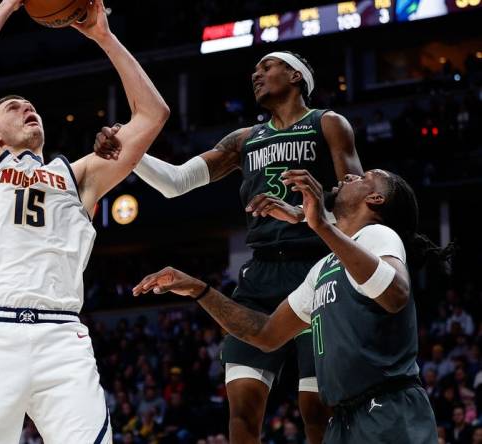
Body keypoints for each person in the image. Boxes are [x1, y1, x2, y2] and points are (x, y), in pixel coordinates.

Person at [96, 51, 362, 443]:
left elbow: (356, 204)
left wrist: (307, 210)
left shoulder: (327, 123)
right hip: (260, 276)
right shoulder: (244, 140)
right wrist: (129, 150)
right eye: (254, 70)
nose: (256, 74)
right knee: (241, 410)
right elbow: (175, 183)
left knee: (316, 412)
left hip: (316, 269)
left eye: (266, 67)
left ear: (294, 75)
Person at [0, 0, 169, 442]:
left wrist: (104, 36)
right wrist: (8, 6)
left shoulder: (79, 175)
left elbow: (153, 115)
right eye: (12, 106)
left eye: (30, 104)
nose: (27, 106)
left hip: (62, 337)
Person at [134, 168, 444, 443]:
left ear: (375, 199)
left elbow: (395, 293)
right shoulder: (322, 268)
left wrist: (321, 226)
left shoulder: (378, 235)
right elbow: (265, 333)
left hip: (388, 408)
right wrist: (198, 289)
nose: (349, 176)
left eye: (363, 178)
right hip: (343, 418)